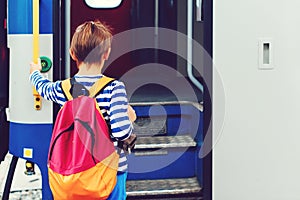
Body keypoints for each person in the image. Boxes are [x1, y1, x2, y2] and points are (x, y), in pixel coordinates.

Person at [30, 20, 135, 200]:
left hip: (73, 173)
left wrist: (34, 72)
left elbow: (43, 87)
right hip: (110, 172)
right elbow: (121, 131)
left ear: (72, 54)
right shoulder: (114, 88)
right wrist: (130, 117)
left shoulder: (63, 88)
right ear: (106, 54)